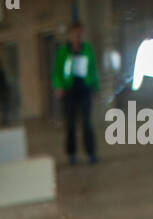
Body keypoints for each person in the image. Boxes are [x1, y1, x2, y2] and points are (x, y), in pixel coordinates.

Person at [52, 21, 99, 165]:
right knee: (70, 124)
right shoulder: (63, 52)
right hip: (69, 91)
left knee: (86, 122)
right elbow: (57, 72)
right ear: (69, 35)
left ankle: (91, 152)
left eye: (79, 34)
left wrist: (95, 88)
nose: (77, 37)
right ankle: (71, 154)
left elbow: (93, 69)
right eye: (74, 34)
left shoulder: (87, 49)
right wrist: (58, 86)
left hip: (84, 89)